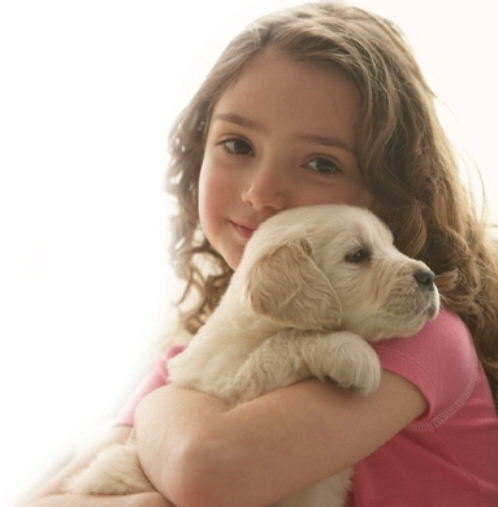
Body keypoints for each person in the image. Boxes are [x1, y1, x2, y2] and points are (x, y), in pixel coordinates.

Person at [25, 2, 498, 506]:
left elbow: (211, 472)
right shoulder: (191, 362)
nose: (261, 192)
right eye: (238, 145)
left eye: (321, 163)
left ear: (389, 195)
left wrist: (159, 408)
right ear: (198, 148)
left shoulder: (422, 339)